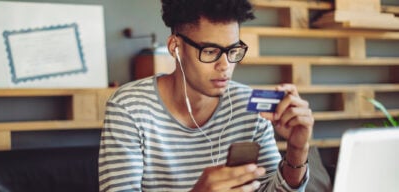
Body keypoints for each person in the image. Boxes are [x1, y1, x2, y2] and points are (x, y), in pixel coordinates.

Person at [99, 0, 313, 191]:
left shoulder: (249, 105)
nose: (225, 66)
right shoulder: (128, 108)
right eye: (210, 51)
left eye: (233, 51)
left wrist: (297, 149)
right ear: (176, 47)